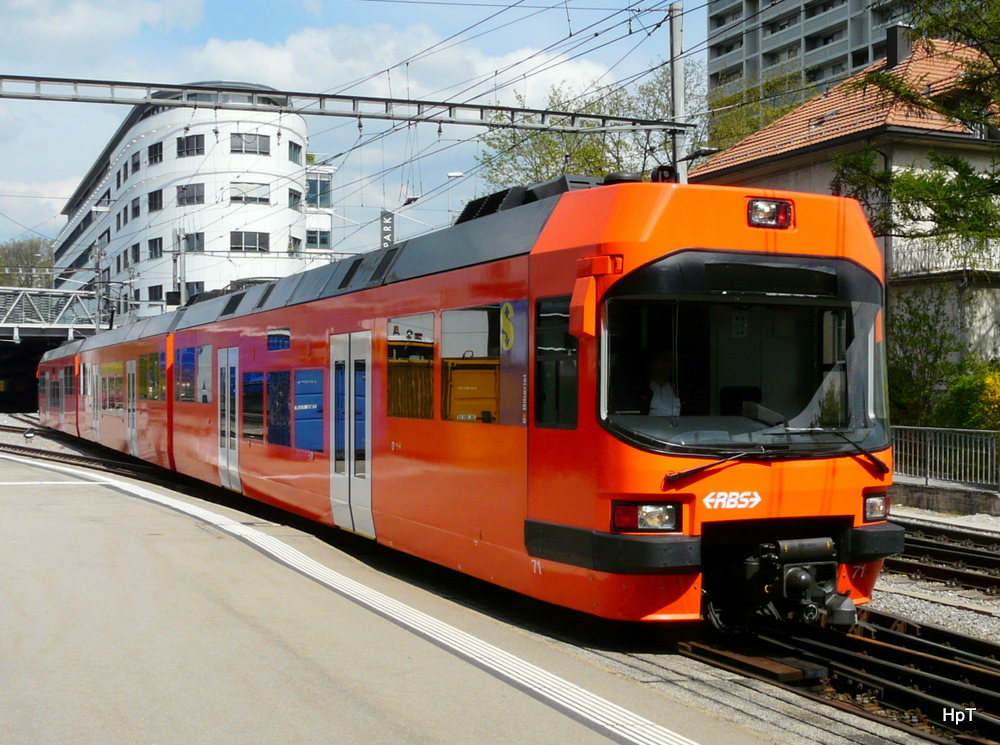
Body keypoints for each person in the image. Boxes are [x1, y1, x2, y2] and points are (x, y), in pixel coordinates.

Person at [648, 350, 680, 416]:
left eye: (675, 362)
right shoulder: (645, 389)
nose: (672, 365)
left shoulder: (676, 389)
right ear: (656, 363)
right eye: (668, 361)